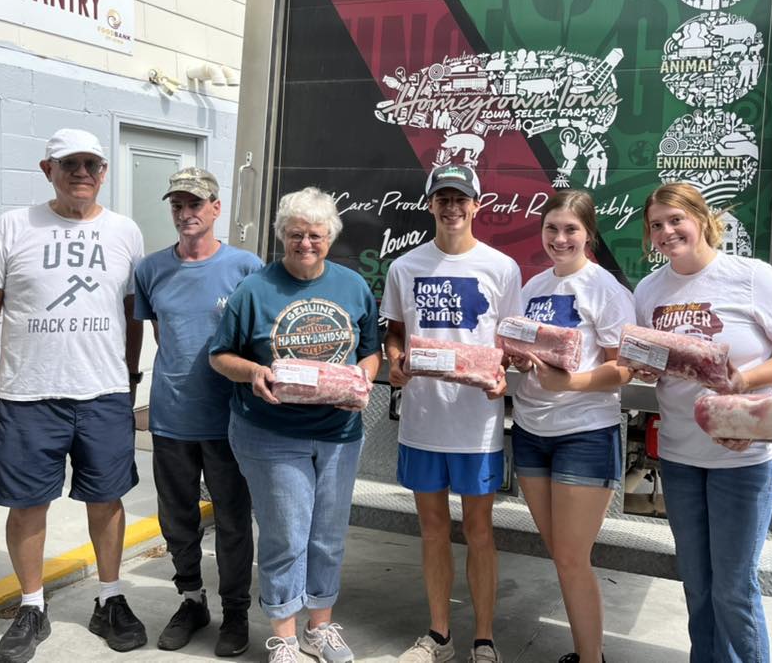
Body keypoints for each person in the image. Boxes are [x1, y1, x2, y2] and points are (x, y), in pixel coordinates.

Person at [0, 128, 147, 663]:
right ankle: (31, 606)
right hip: (27, 394)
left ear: (104, 173)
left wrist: (131, 378)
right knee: (27, 505)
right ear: (49, 170)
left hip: (104, 391)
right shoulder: (14, 226)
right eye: (70, 164)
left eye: (92, 164)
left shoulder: (125, 232)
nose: (82, 173)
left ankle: (110, 599)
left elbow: (131, 313)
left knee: (108, 499)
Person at [632, 182, 772, 663]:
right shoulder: (650, 290)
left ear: (702, 220)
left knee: (734, 588)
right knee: (698, 584)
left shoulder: (750, 277)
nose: (667, 232)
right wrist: (645, 366)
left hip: (743, 455)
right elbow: (651, 358)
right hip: (682, 454)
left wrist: (743, 379)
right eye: (657, 225)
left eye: (675, 220)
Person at [209, 187, 381, 663]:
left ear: (331, 237)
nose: (305, 244)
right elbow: (220, 355)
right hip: (270, 431)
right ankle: (284, 636)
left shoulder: (352, 286)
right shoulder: (255, 289)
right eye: (295, 235)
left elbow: (371, 350)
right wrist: (254, 372)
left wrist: (362, 380)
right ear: (281, 236)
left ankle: (318, 629)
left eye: (316, 235)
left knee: (327, 534)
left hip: (340, 433)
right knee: (286, 533)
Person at [382, 164, 522, 663]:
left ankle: (484, 640)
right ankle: (439, 635)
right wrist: (395, 360)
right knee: (432, 529)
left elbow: (510, 341)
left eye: (460, 198)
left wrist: (507, 369)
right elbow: (395, 332)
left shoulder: (502, 268)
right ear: (429, 205)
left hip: (477, 423)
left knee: (480, 531)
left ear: (477, 206)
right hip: (423, 421)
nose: (451, 207)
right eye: (442, 198)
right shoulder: (405, 267)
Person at [133, 167, 263, 656]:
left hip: (230, 419)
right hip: (171, 419)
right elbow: (162, 337)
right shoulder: (150, 270)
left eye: (195, 204)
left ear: (216, 208)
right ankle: (191, 600)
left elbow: (259, 341)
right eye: (178, 206)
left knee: (232, 520)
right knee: (177, 518)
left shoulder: (246, 268)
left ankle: (235, 613)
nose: (186, 214)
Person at [504, 190, 635, 663]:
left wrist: (571, 382)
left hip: (584, 434)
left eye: (571, 230)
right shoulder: (532, 287)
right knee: (559, 552)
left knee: (572, 557)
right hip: (531, 431)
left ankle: (591, 658)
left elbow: (625, 369)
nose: (560, 239)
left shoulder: (606, 290)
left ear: (588, 233)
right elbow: (518, 348)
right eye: (552, 229)